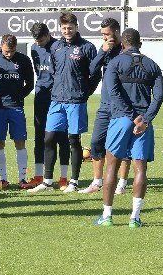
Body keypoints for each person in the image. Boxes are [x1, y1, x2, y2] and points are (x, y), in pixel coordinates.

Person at [94, 29, 163, 228]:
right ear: (140, 43)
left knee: (112, 167)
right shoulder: (153, 65)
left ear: (122, 44)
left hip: (121, 119)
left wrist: (131, 116)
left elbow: (112, 92)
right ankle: (135, 218)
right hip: (143, 123)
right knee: (140, 168)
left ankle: (107, 216)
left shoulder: (115, 63)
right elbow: (158, 97)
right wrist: (145, 119)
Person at [28, 12, 98, 193]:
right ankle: (47, 181)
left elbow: (96, 74)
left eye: (70, 28)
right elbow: (53, 72)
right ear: (60, 28)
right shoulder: (56, 47)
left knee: (73, 140)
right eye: (64, 28)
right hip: (56, 100)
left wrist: (85, 92)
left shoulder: (87, 47)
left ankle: (73, 182)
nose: (67, 31)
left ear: (76, 27)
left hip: (76, 101)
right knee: (49, 138)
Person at [80, 18, 131, 195]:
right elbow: (92, 70)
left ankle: (122, 183)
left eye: (107, 34)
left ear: (117, 32)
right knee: (96, 142)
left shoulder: (126, 49)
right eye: (102, 34)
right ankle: (97, 181)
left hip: (122, 106)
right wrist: (102, 51)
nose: (104, 37)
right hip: (105, 105)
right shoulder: (104, 49)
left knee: (122, 146)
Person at [22, 23, 71, 189]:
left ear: (48, 34)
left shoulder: (59, 47)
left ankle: (63, 177)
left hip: (58, 97)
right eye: (36, 41)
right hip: (41, 96)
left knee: (61, 136)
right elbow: (39, 72)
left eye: (41, 40)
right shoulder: (34, 49)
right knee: (40, 135)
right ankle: (38, 175)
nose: (39, 43)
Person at [0, 34, 34, 188]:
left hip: (16, 108)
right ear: (0, 47)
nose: (8, 54)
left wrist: (19, 97)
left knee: (20, 142)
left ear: (15, 48)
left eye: (11, 51)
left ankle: (22, 179)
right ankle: (3, 179)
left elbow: (30, 84)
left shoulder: (24, 60)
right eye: (5, 51)